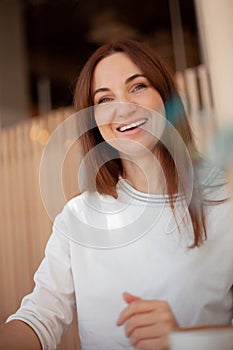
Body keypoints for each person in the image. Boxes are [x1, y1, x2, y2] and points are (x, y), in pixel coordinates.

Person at [0, 38, 232, 350]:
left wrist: (186, 341)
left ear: (166, 96)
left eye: (137, 87)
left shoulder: (225, 204)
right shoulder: (78, 217)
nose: (123, 108)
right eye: (105, 99)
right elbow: (40, 317)